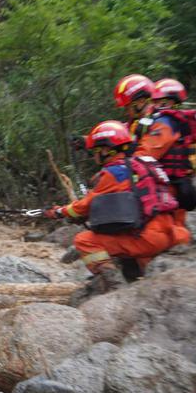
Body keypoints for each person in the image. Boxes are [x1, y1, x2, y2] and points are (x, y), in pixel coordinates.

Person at [43, 121, 182, 293]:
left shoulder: (115, 172)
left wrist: (58, 211)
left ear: (106, 150)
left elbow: (84, 205)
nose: (94, 157)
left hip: (148, 238)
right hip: (171, 231)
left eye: (95, 152)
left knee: (84, 240)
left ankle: (115, 289)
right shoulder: (143, 163)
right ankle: (137, 278)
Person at [133, 78, 196, 233]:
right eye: (156, 102)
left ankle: (174, 241)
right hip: (176, 182)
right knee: (175, 221)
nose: (157, 106)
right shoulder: (175, 121)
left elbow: (148, 152)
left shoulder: (165, 123)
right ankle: (177, 240)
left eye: (162, 102)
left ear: (174, 103)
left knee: (168, 224)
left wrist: (126, 162)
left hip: (169, 184)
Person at [113, 74, 154, 142]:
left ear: (141, 102)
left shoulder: (159, 125)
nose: (126, 113)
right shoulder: (135, 123)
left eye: (127, 108)